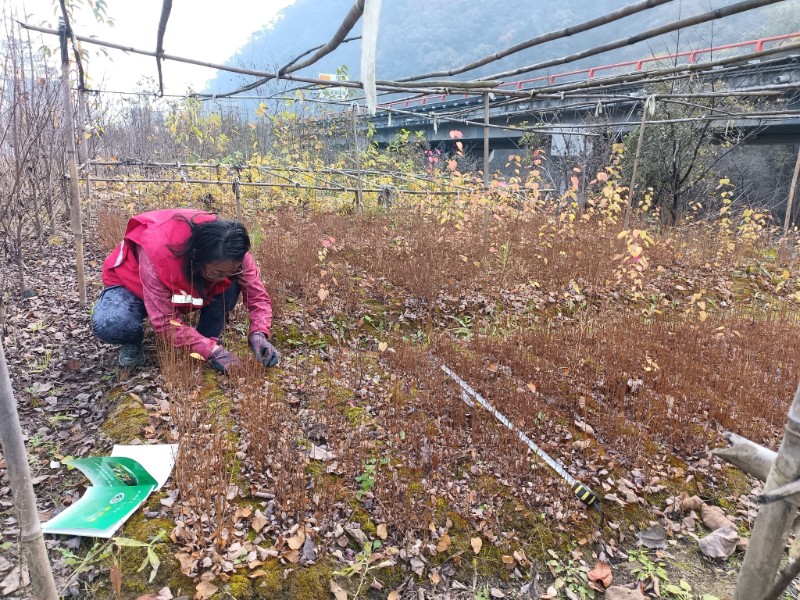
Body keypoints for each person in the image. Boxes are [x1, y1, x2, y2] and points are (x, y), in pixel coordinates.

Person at [92, 208, 279, 372]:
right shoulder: (158, 253)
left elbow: (257, 297)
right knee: (112, 324)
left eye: (231, 271)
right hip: (132, 284)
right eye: (218, 272)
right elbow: (165, 322)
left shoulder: (233, 252)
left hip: (186, 283)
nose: (225, 277)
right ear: (197, 259)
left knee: (231, 283)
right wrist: (214, 352)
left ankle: (206, 338)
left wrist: (258, 333)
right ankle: (131, 342)